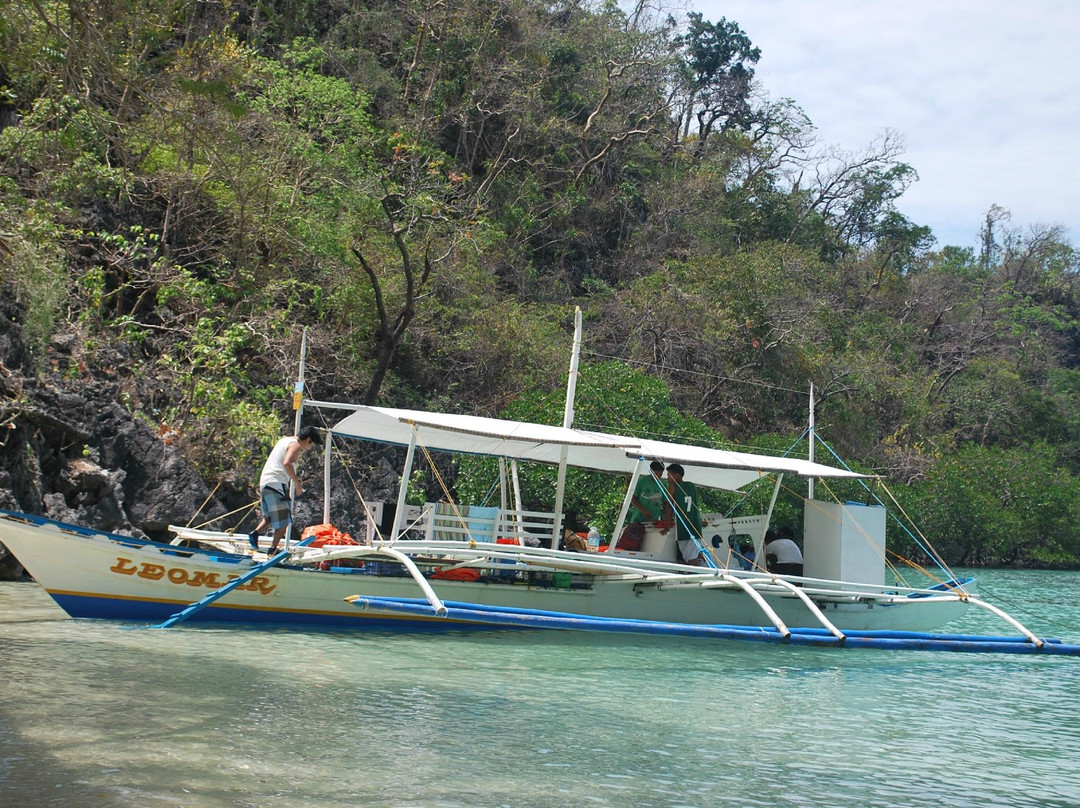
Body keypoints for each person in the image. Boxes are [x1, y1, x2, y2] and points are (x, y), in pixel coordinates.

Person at [250, 426, 322, 554]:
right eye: (312, 445)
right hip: (276, 484)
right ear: (308, 440)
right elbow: (286, 463)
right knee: (284, 521)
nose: (310, 448)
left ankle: (255, 533)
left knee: (271, 517)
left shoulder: (285, 440)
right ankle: (272, 550)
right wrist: (297, 483)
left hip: (266, 483)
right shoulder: (295, 445)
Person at [617, 461, 666, 550]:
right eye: (657, 472)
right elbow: (632, 498)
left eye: (661, 472)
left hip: (653, 522)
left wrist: (666, 518)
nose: (659, 474)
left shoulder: (664, 484)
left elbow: (666, 503)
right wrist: (643, 510)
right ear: (651, 471)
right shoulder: (642, 481)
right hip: (638, 521)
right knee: (632, 546)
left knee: (648, 547)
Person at [664, 463, 705, 566]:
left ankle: (696, 579)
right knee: (696, 554)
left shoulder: (672, 487)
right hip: (696, 526)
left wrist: (667, 525)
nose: (667, 478)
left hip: (684, 528)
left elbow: (668, 506)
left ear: (676, 475)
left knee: (690, 559)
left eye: (669, 475)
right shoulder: (691, 485)